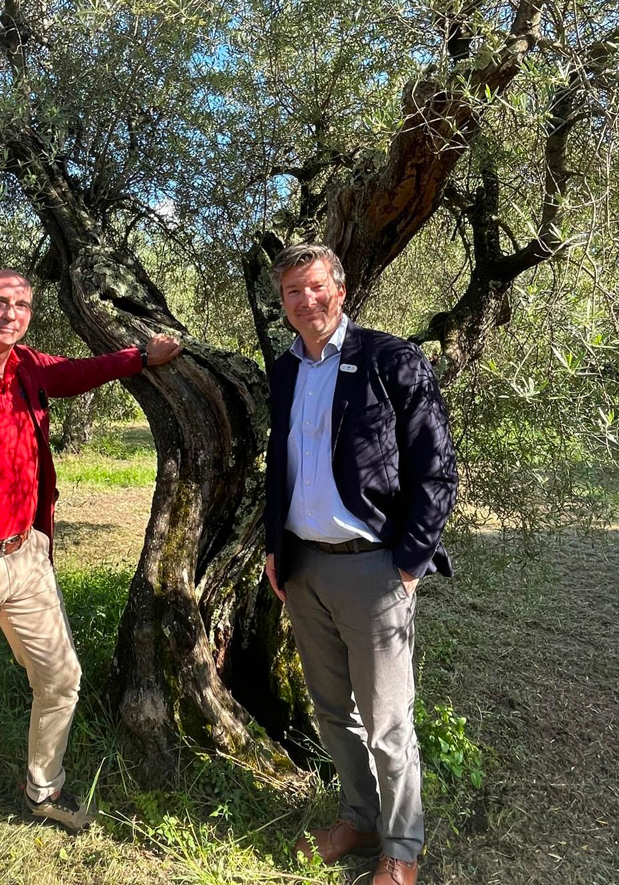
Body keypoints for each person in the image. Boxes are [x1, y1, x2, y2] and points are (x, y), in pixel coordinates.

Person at [0, 269, 182, 879]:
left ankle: (42, 788)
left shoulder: (26, 369)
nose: (12, 313)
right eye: (0, 303)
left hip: (28, 558)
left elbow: (78, 371)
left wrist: (138, 358)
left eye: (22, 304)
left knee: (61, 678)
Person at [263, 244, 456, 885]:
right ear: (284, 302)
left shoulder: (390, 359)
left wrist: (408, 562)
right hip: (305, 568)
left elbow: (435, 467)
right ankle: (359, 817)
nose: (306, 301)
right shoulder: (287, 370)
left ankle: (402, 851)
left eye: (316, 287)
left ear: (340, 290)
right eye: (293, 292)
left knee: (388, 723)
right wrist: (274, 547)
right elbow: (280, 466)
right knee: (330, 709)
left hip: (375, 569)